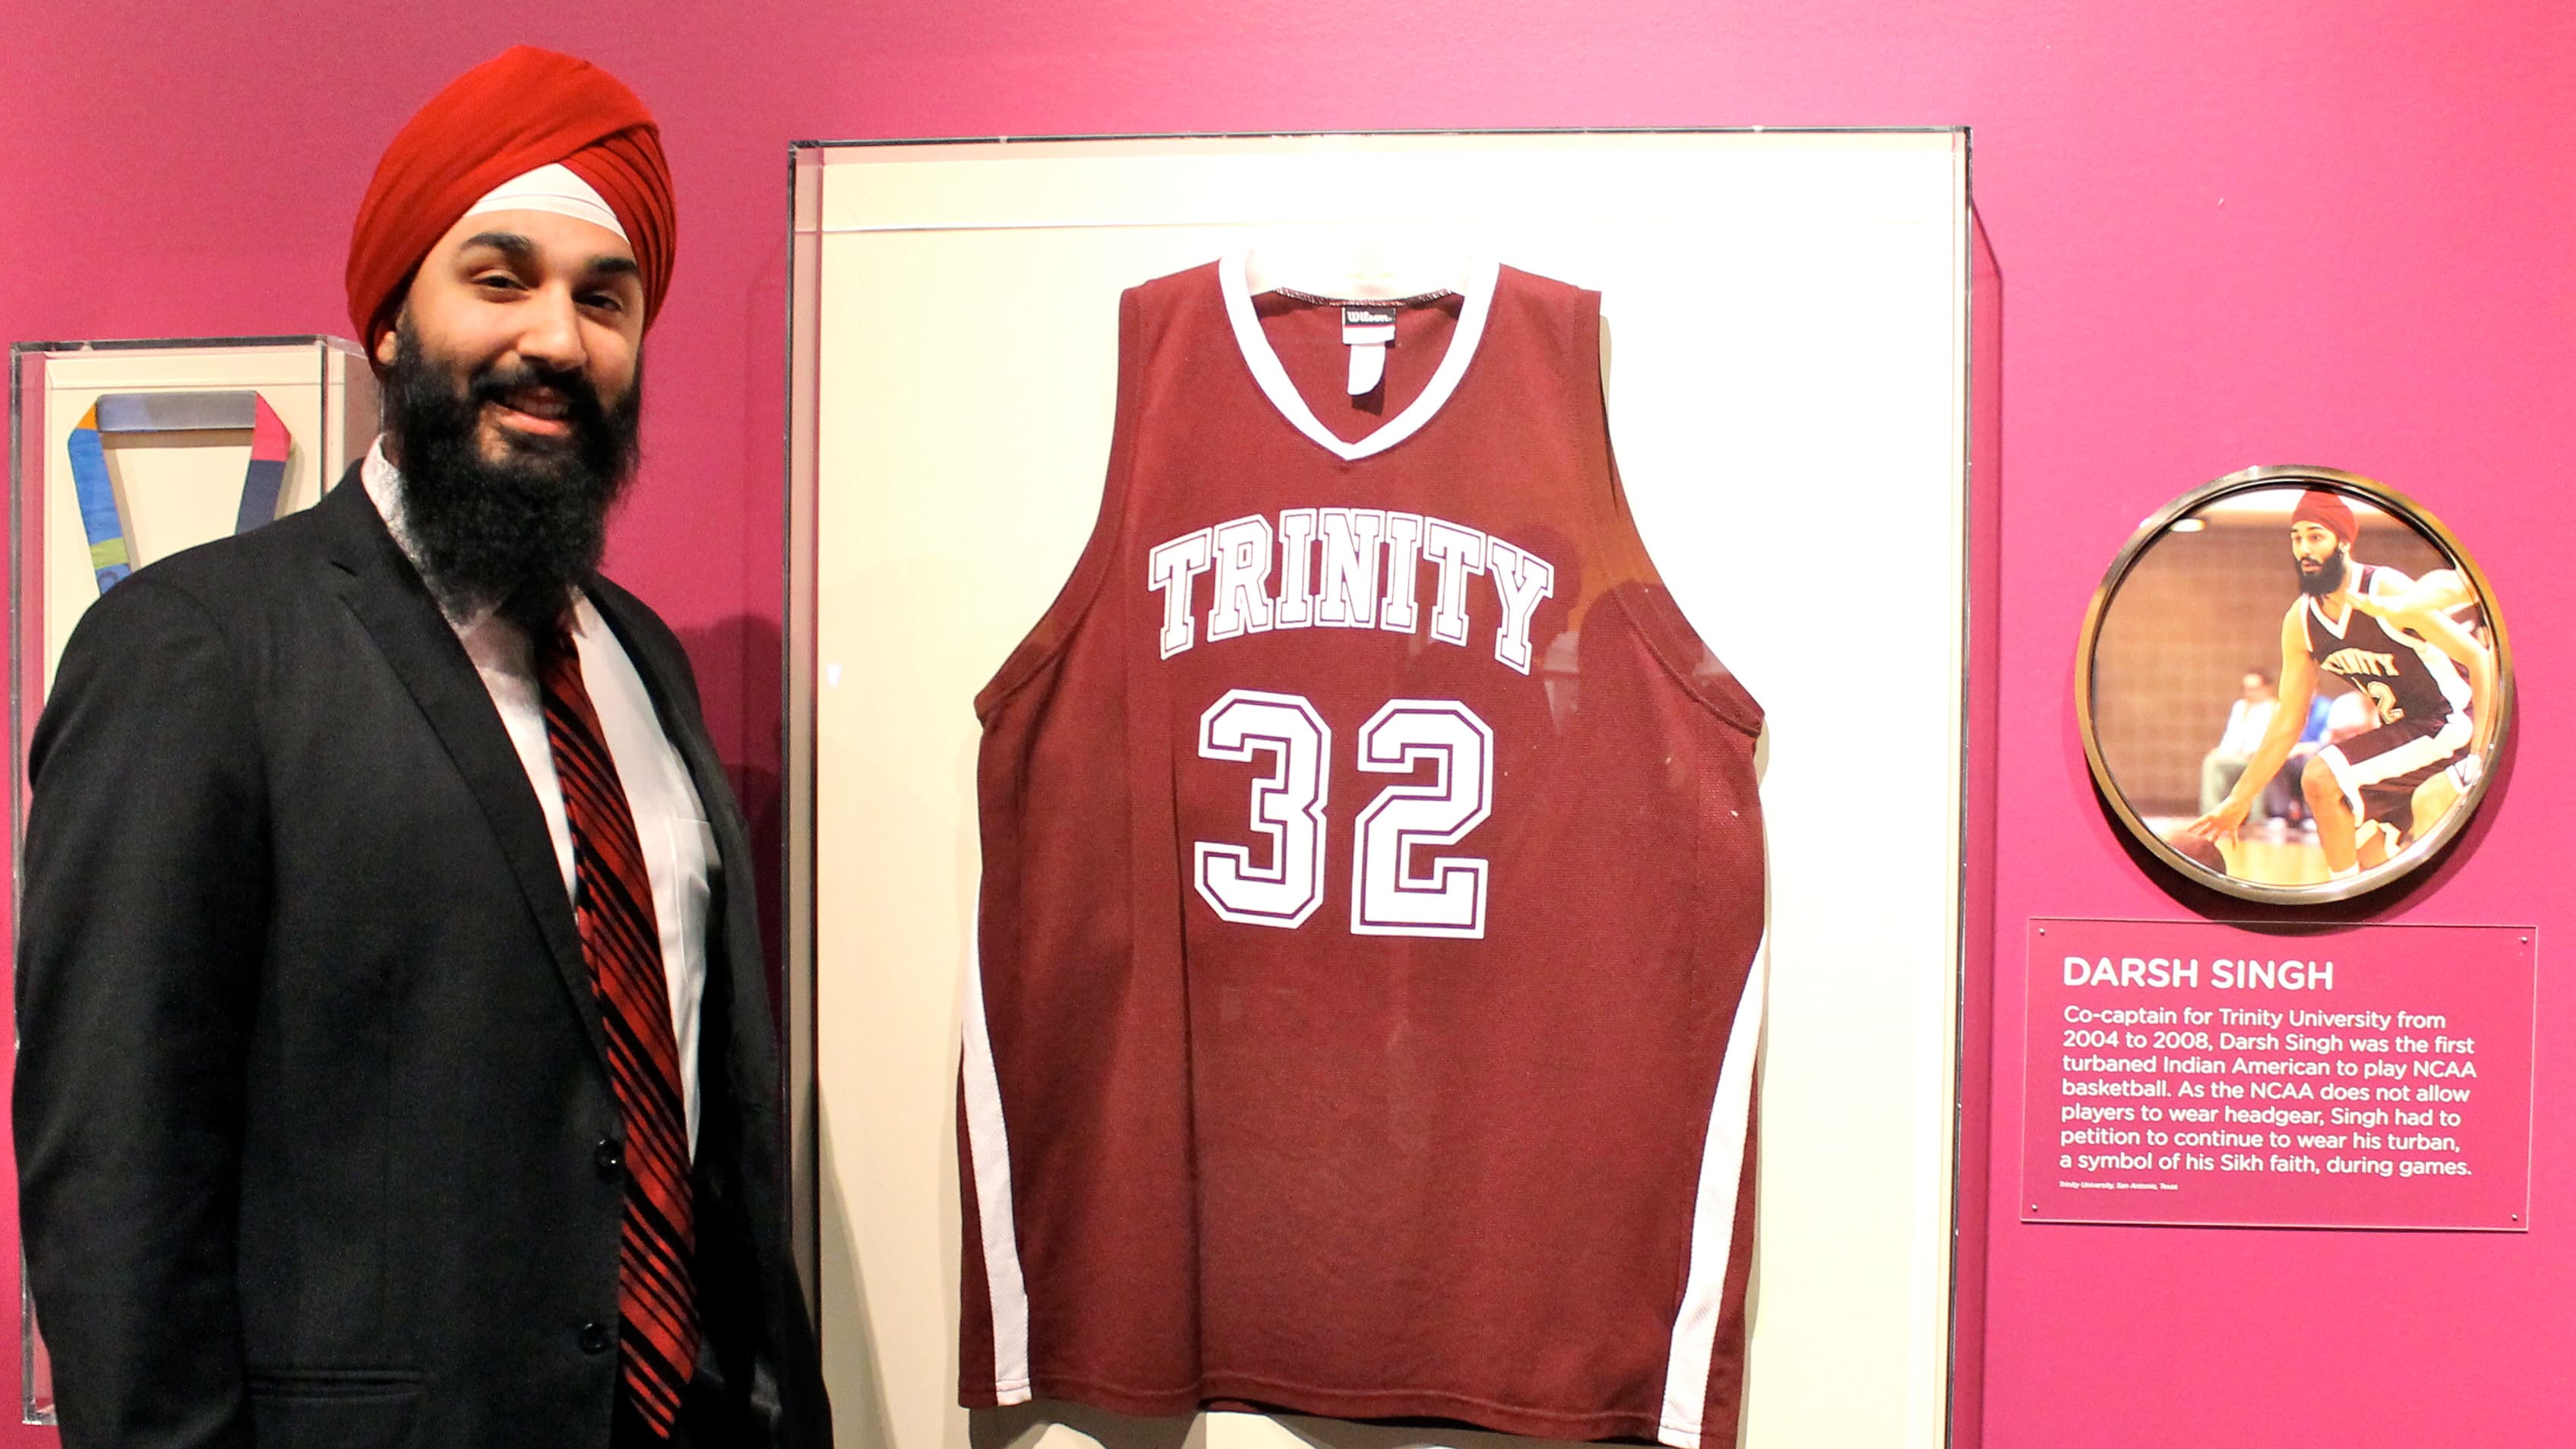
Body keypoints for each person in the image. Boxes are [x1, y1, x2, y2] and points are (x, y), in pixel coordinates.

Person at [14, 48, 827, 1449]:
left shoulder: (645, 666)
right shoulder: (199, 651)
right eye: (500, 279)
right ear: (392, 319)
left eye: (604, 298)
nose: (558, 342)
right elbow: (117, 1183)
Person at [2185, 489, 2494, 879]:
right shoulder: (2301, 621)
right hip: (2405, 732)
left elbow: (2479, 659)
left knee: (2321, 775)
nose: (2304, 549)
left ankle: (2337, 900)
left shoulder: (2383, 589)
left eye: (2316, 536)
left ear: (2344, 542)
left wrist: (2481, 756)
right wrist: (2239, 797)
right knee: (2371, 855)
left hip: (2450, 721)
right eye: (2296, 538)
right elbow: (2288, 720)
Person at [2198, 668, 2279, 815]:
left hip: (2261, 757)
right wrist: (2223, 751)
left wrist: (2253, 752)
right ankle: (2211, 813)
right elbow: (2232, 736)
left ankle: (2256, 818)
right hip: (2239, 756)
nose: (2250, 693)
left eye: (2255, 689)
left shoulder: (2276, 708)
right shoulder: (2241, 707)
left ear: (2268, 688)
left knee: (2259, 765)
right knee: (2212, 761)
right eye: (2247, 689)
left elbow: (2273, 739)